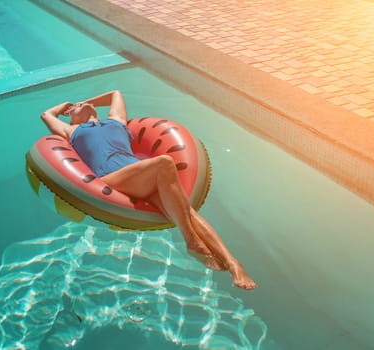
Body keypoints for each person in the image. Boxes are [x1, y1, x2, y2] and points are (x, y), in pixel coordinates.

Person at [41, 90, 256, 290]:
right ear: (70, 118)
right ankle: (191, 240)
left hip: (140, 176)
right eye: (78, 107)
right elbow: (46, 114)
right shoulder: (71, 130)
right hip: (112, 178)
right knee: (164, 162)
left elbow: (116, 93)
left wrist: (87, 103)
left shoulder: (116, 120)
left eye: (85, 103)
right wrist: (66, 107)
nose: (83, 104)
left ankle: (233, 264)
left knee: (188, 212)